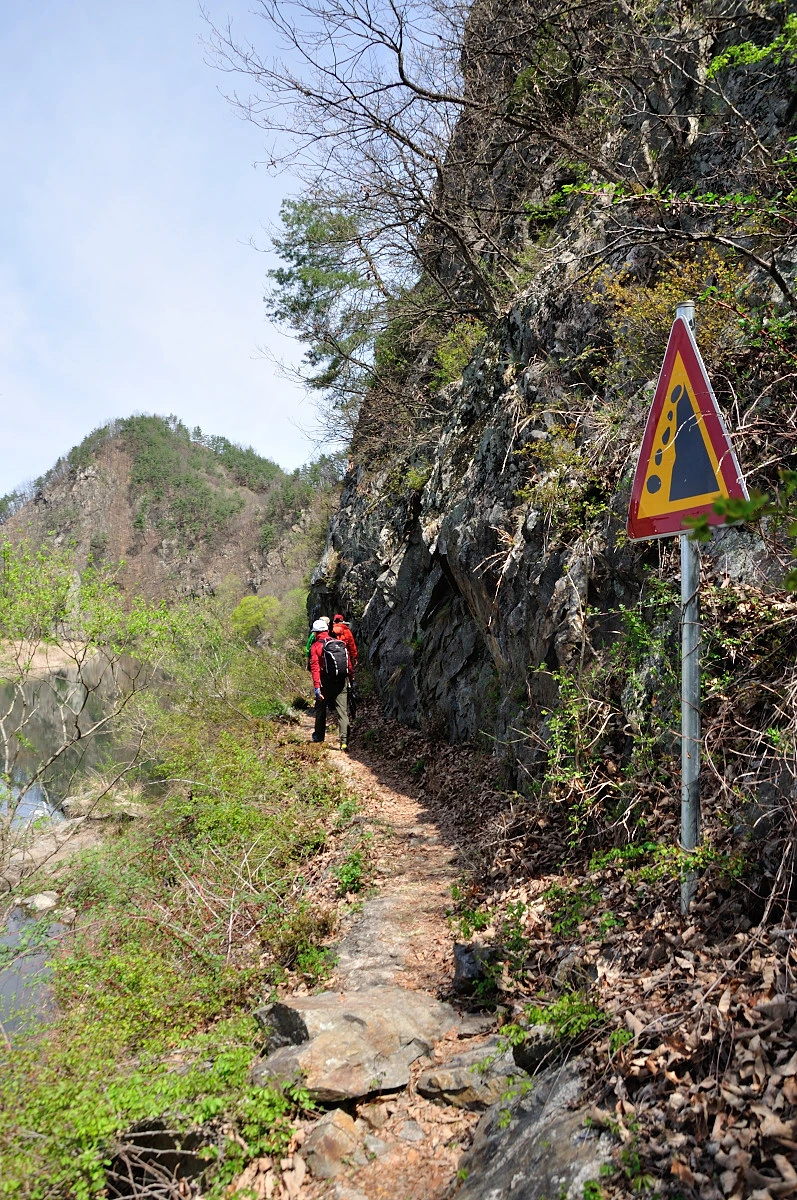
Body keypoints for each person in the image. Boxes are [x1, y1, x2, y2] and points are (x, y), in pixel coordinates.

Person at [309, 616, 351, 751]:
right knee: (342, 712)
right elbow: (348, 664)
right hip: (341, 681)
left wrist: (317, 687)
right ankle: (344, 742)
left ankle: (319, 737)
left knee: (321, 709)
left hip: (325, 682)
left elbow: (315, 668)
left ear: (316, 633)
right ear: (327, 630)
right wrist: (351, 679)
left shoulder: (315, 646)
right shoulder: (338, 643)